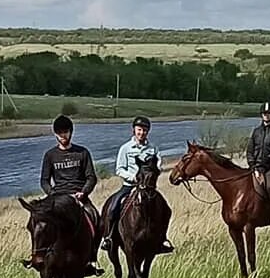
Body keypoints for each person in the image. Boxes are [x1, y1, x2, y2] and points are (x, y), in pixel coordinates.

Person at [101, 115, 173, 253]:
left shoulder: (153, 149)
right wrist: (133, 177)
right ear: (134, 130)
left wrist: (154, 172)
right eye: (139, 129)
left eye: (145, 130)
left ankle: (162, 239)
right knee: (113, 208)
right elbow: (119, 169)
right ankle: (109, 238)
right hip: (129, 186)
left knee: (166, 210)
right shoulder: (125, 148)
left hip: (149, 188)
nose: (142, 133)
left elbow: (158, 165)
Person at [40, 114, 102, 269]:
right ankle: (39, 256)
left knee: (97, 218)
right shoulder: (50, 155)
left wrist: (84, 192)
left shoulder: (82, 153)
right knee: (38, 221)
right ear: (55, 134)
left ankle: (91, 257)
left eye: (66, 132)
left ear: (71, 132)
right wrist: (52, 193)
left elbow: (91, 177)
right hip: (58, 197)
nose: (63, 136)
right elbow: (44, 180)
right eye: (60, 133)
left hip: (78, 196)